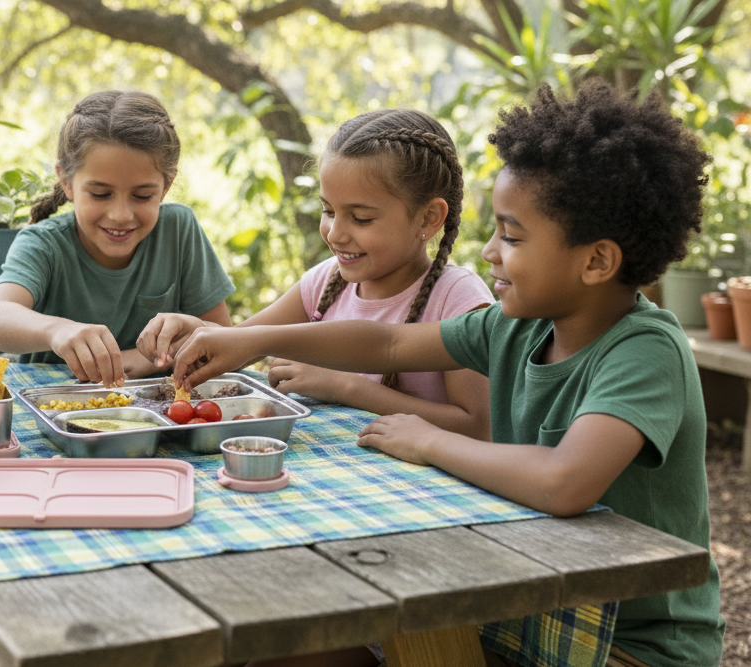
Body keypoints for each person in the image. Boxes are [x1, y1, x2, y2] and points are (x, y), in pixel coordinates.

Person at [170, 82, 724, 667]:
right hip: (516, 600)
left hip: (628, 644)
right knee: (284, 647)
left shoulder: (645, 349)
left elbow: (565, 481)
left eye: (511, 236)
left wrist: (431, 441)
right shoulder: (517, 327)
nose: (488, 252)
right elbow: (387, 340)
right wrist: (251, 339)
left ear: (596, 261)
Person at [138, 109, 493, 438]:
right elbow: (241, 343)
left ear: (429, 218)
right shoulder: (325, 282)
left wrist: (345, 386)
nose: (335, 233)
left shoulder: (457, 298)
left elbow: (478, 426)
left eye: (361, 218)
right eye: (328, 210)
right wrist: (195, 331)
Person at [0, 90, 234, 388]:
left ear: (166, 186)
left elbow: (224, 336)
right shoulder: (44, 243)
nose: (121, 215)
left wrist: (165, 347)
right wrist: (56, 330)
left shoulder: (179, 229)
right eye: (100, 194)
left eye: (142, 196)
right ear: (66, 182)